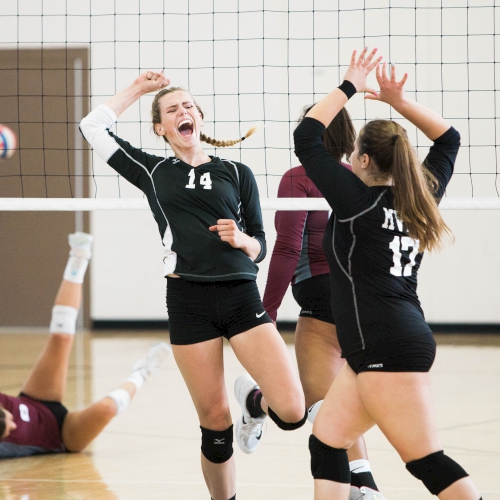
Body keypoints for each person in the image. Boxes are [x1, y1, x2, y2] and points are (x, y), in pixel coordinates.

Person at [80, 72, 306, 500]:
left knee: (293, 412)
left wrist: (243, 241)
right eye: (171, 110)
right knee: (214, 421)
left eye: (188, 106)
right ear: (160, 128)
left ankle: (253, 404)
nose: (183, 112)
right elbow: (92, 127)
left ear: (199, 118)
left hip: (240, 295)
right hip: (189, 300)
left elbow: (260, 246)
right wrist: (140, 90)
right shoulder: (152, 170)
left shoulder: (237, 173)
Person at [294, 48, 482, 500]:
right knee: (326, 442)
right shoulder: (421, 196)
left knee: (425, 461)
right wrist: (398, 103)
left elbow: (307, 136)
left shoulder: (356, 201)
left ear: (360, 161)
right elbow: (449, 140)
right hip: (384, 341)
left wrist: (349, 86)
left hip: (386, 344)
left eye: (356, 151)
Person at [263, 107, 388, 500]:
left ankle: (254, 402)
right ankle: (365, 482)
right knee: (337, 400)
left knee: (317, 408)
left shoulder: (299, 178)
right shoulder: (363, 180)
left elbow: (286, 249)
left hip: (321, 300)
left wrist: (264, 315)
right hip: (366, 302)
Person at [0, 232, 171, 458]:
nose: (12, 426)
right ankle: (142, 373)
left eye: (6, 420)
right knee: (107, 408)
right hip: (62, 435)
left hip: (34, 401)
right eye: (7, 430)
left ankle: (79, 256)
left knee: (61, 338)